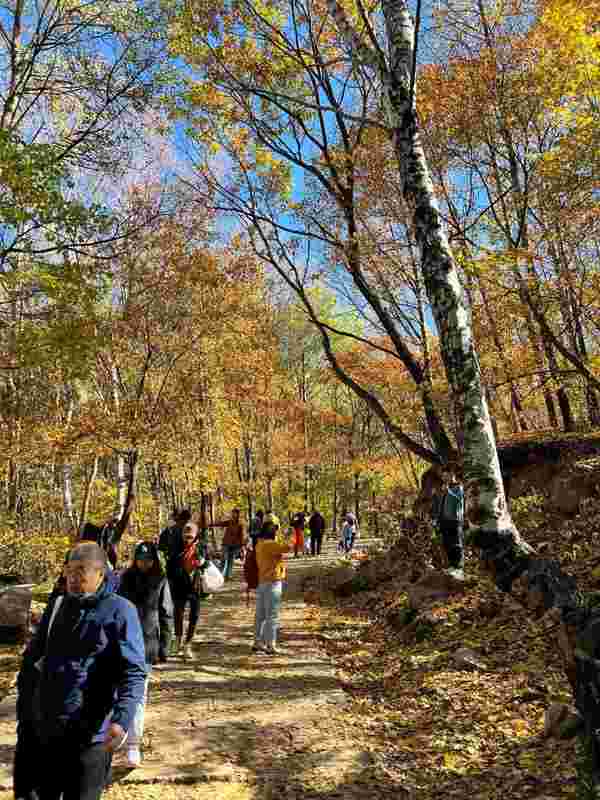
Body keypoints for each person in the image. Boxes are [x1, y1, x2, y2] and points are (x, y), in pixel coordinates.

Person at [14, 542, 146, 800]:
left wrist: (121, 720)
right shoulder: (57, 606)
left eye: (81, 571)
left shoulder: (121, 611)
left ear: (100, 574)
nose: (73, 578)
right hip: (47, 731)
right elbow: (31, 663)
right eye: (69, 571)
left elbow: (134, 672)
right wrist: (25, 716)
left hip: (91, 737)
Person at [118, 541, 173, 768]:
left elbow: (166, 613)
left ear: (154, 560)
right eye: (140, 559)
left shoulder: (161, 581)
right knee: (119, 692)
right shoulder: (125, 579)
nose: (144, 563)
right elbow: (116, 608)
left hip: (147, 644)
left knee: (139, 696)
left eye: (148, 559)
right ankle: (118, 733)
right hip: (122, 643)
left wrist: (165, 647)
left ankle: (133, 745)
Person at [167, 522, 207, 659]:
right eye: (186, 535)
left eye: (190, 536)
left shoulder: (200, 547)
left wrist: (202, 563)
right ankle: (177, 641)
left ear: (195, 536)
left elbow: (207, 563)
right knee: (178, 613)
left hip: (195, 586)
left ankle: (188, 644)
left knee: (194, 616)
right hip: (179, 586)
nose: (187, 538)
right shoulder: (175, 547)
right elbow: (170, 567)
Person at [253, 518, 293, 655]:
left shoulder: (259, 544)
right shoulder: (270, 544)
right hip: (272, 582)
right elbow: (287, 547)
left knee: (261, 614)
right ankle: (270, 644)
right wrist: (289, 536)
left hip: (263, 581)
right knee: (272, 615)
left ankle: (258, 641)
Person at [436, 473, 465, 572]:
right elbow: (441, 505)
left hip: (454, 520)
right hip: (444, 521)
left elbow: (459, 500)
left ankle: (458, 568)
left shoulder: (459, 488)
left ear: (453, 476)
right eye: (443, 476)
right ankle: (451, 568)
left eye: (447, 476)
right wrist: (437, 520)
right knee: (446, 545)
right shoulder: (444, 488)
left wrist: (448, 491)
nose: (444, 477)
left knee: (456, 545)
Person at [210, 509, 245, 580]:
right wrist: (211, 524)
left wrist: (242, 546)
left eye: (234, 513)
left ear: (238, 514)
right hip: (226, 543)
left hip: (235, 545)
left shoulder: (240, 524)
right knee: (223, 559)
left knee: (231, 560)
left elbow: (242, 535)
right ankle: (220, 575)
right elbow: (221, 523)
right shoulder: (230, 522)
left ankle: (228, 575)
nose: (233, 515)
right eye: (232, 513)